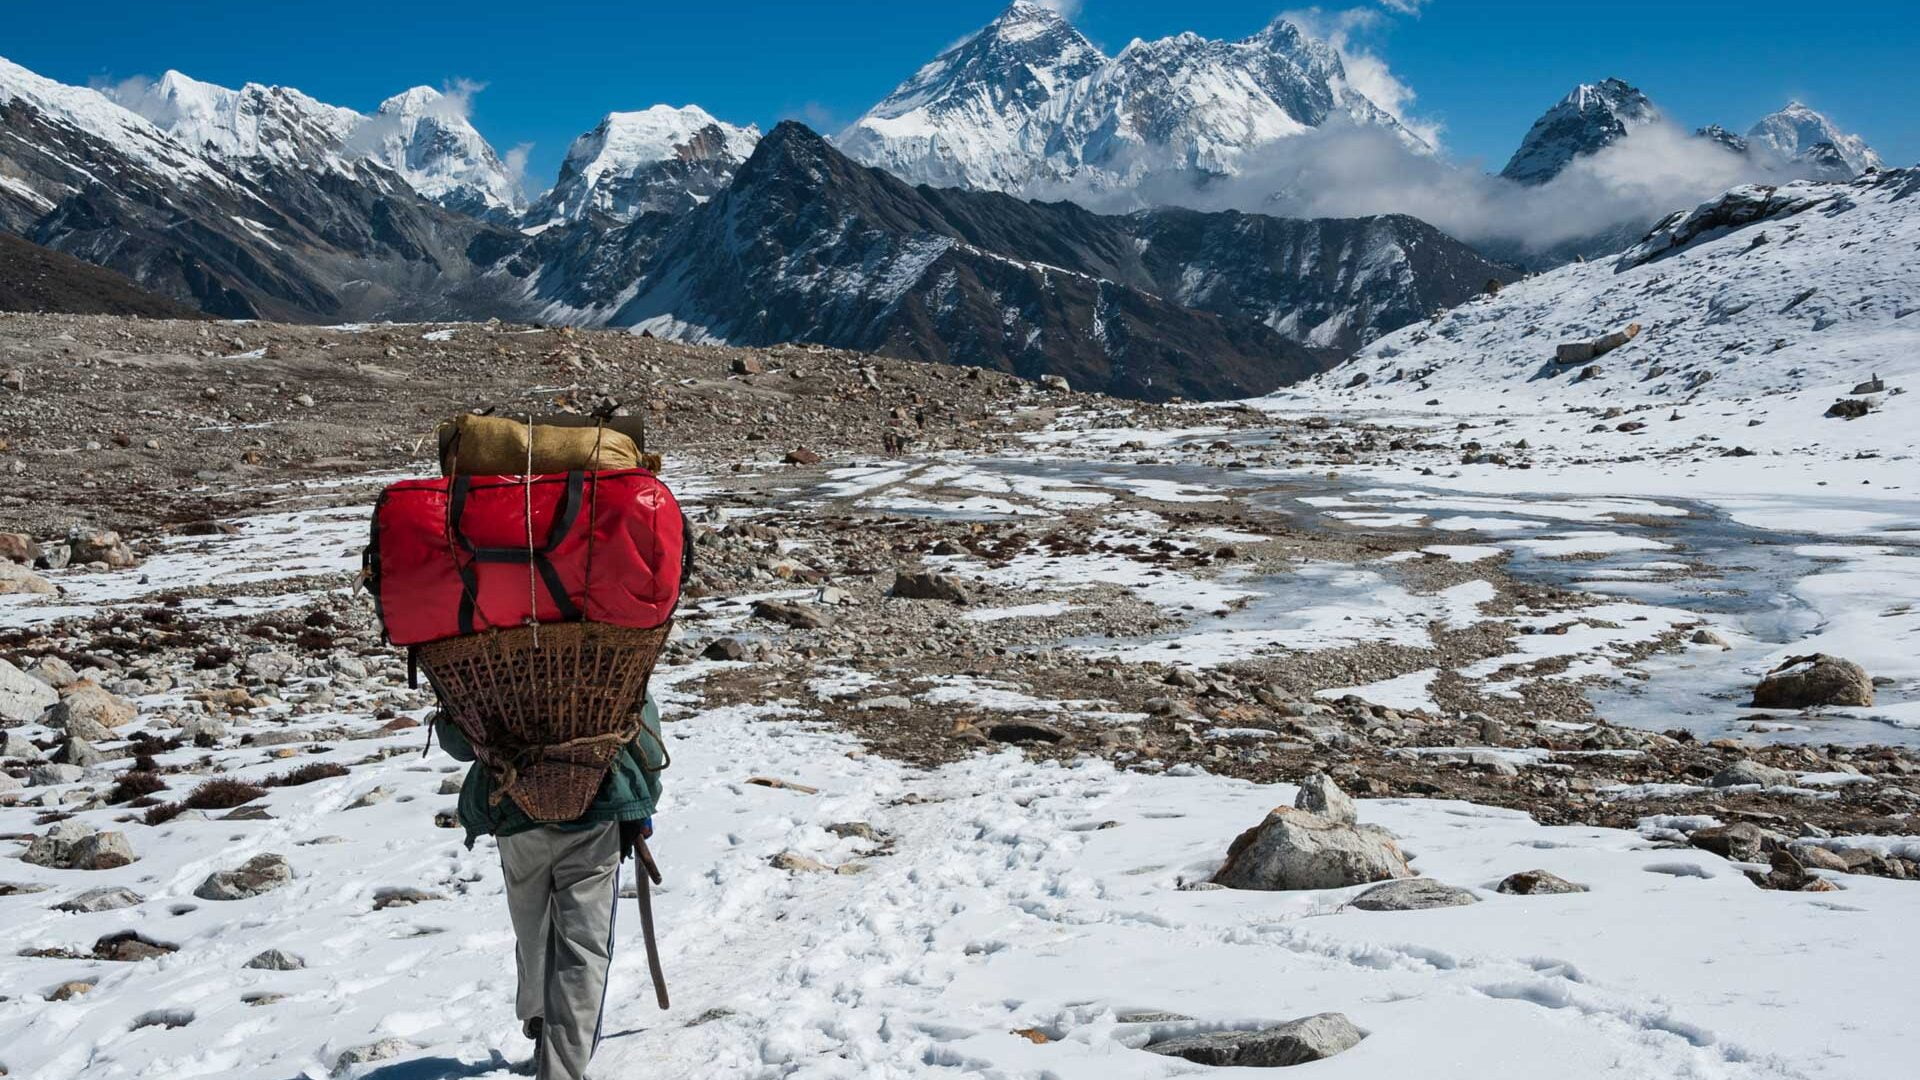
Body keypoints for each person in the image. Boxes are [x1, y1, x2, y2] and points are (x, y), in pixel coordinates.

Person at [435, 693, 667, 1080]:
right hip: (596, 808)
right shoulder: (606, 652)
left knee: (533, 931)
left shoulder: (484, 658)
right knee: (583, 947)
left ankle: (543, 1025)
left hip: (514, 810)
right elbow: (644, 735)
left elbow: (458, 742)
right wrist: (642, 802)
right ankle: (561, 1070)